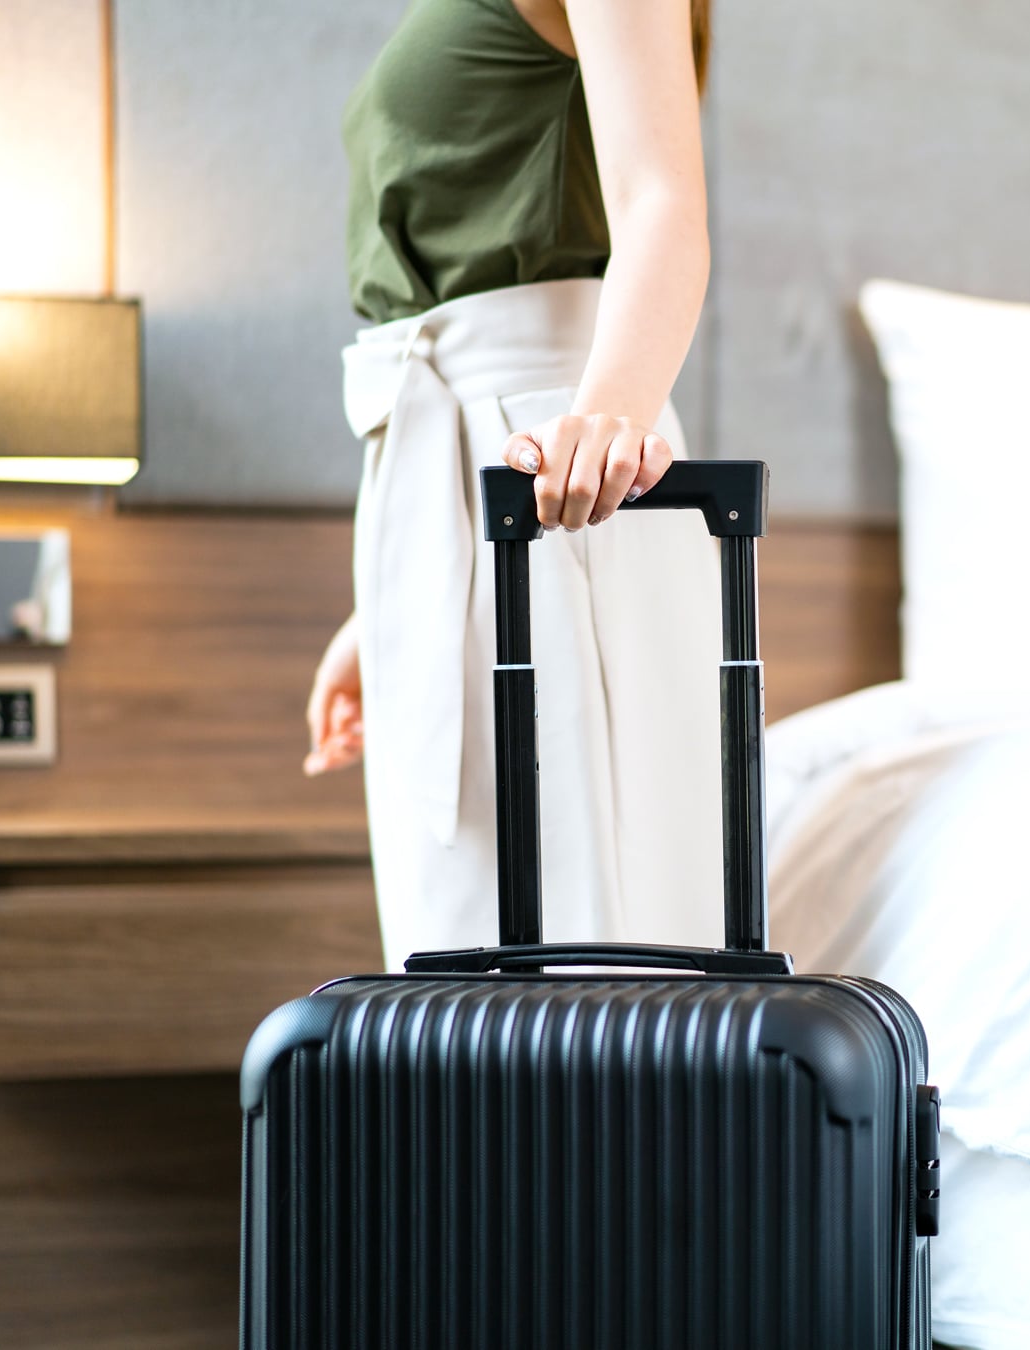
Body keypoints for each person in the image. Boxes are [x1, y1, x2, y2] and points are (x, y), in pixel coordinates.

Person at [302, 0, 724, 973]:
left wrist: (606, 421)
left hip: (554, 471)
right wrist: (390, 606)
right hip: (476, 467)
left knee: (575, 950)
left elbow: (662, 204)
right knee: (481, 943)